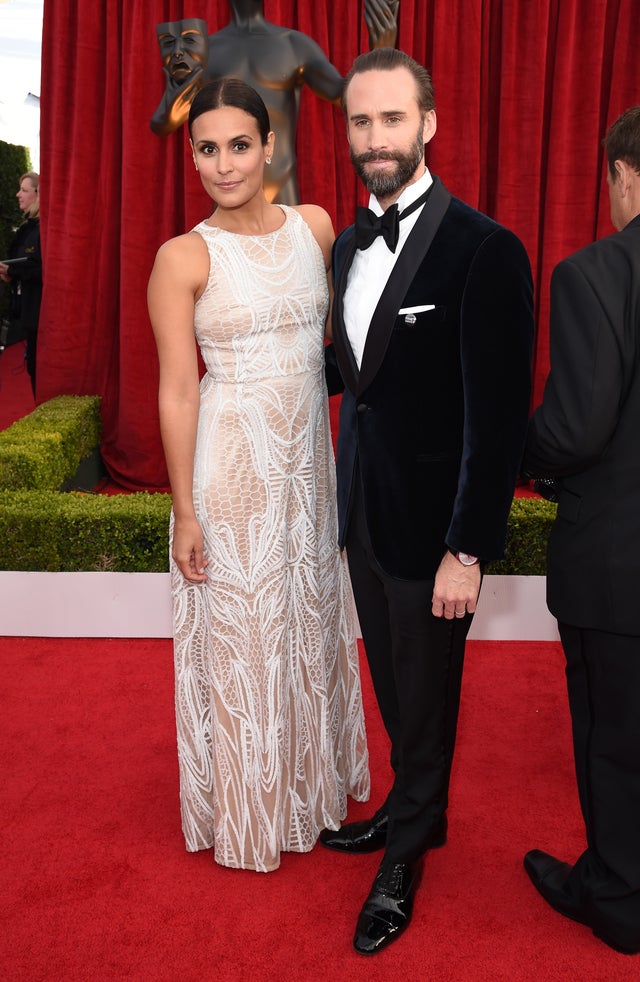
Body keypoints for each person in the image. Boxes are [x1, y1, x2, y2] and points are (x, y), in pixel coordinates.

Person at [320, 48, 534, 954]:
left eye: (392, 120)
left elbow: (497, 421)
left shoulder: (485, 249)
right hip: (364, 511)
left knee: (430, 695)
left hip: (435, 530)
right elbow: (354, 378)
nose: (376, 139)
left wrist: (468, 548)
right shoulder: (344, 245)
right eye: (361, 122)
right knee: (396, 688)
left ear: (429, 123)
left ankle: (406, 853)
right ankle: (414, 812)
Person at [147, 78, 370, 873]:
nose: (223, 163)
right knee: (246, 637)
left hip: (308, 462)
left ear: (269, 146)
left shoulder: (315, 227)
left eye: (239, 144)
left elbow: (349, 348)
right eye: (206, 148)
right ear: (194, 156)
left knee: (306, 617)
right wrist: (185, 512)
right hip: (232, 468)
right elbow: (177, 389)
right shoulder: (182, 257)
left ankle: (308, 786)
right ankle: (249, 805)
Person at [522, 106, 640, 956]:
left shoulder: (594, 273)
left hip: (618, 564)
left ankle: (618, 895)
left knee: (616, 736)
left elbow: (574, 429)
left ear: (623, 175)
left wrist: (511, 447)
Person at [150, 0, 399, 204]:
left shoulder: (294, 45)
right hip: (231, 186)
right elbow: (162, 122)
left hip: (282, 183)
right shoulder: (208, 50)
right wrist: (171, 112)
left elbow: (345, 97)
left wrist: (380, 53)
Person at [0, 172, 42, 395]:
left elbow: (43, 269)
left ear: (38, 194)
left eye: (24, 190)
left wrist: (13, 270)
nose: (18, 194)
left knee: (38, 368)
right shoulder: (28, 229)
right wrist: (11, 272)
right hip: (26, 314)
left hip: (39, 316)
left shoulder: (43, 230)